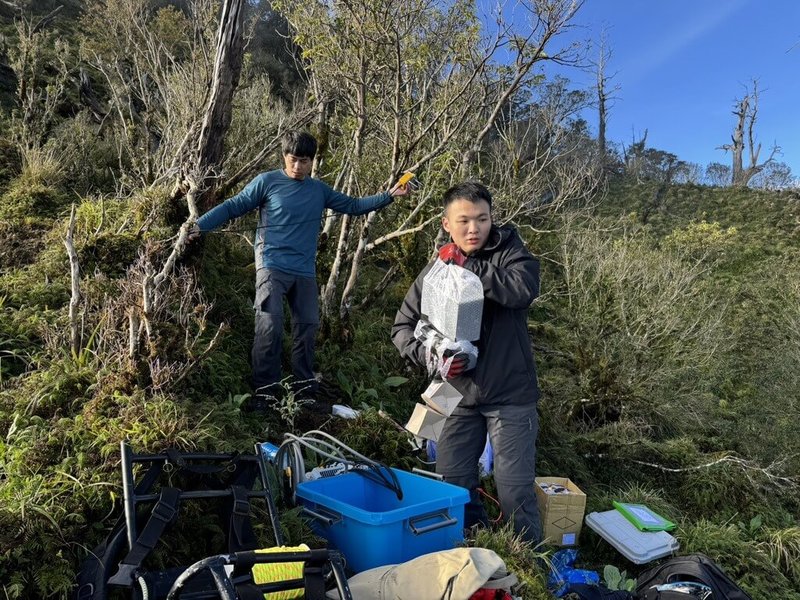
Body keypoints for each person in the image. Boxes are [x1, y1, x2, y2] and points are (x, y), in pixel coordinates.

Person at [188, 130, 409, 410]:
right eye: (292, 159)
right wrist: (200, 226)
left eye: (304, 161)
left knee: (307, 327)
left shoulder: (318, 190)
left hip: (304, 270)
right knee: (270, 324)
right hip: (271, 265)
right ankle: (265, 392)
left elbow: (353, 206)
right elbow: (234, 206)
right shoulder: (267, 181)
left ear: (312, 161)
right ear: (284, 156)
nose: (297, 166)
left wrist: (389, 196)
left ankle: (303, 390)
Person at [391, 181, 542, 543]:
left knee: (513, 489)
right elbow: (402, 327)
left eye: (482, 219)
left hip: (510, 393)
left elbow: (522, 290)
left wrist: (470, 268)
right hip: (453, 391)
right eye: (463, 221)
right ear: (447, 224)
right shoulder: (437, 269)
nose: (474, 229)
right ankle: (473, 542)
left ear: (492, 218)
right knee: (451, 482)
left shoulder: (511, 252)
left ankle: (529, 562)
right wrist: (431, 357)